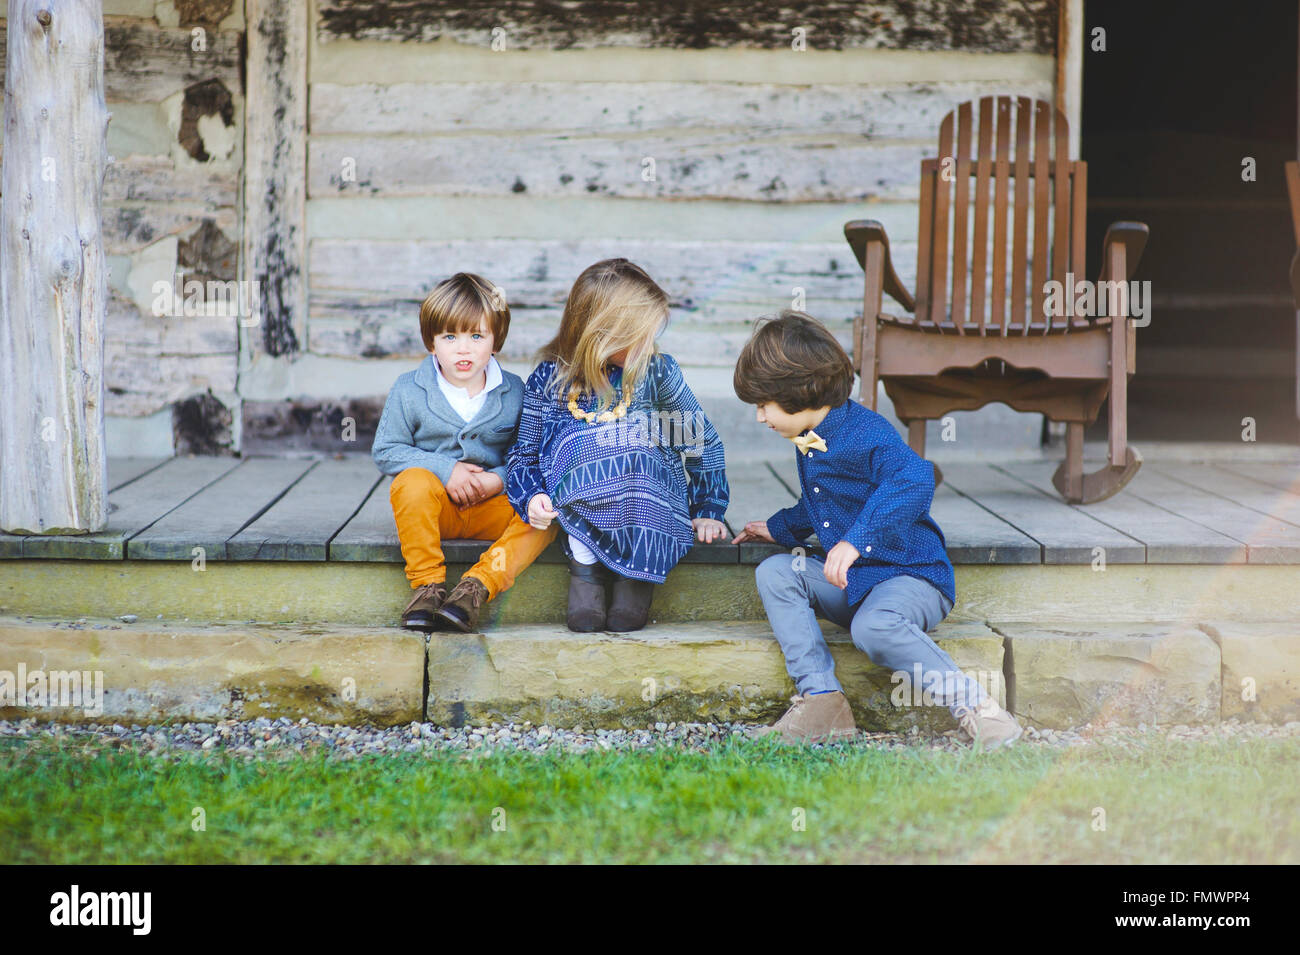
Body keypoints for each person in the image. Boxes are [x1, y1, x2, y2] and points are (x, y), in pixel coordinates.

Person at [732, 311, 1022, 749]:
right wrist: (777, 528)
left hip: (909, 575)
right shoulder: (810, 437)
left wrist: (855, 540)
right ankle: (822, 702)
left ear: (800, 392)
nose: (759, 417)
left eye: (763, 405)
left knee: (873, 627)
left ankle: (981, 712)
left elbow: (916, 479)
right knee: (775, 572)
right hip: (853, 583)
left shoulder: (867, 432)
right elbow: (827, 504)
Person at [507, 258, 729, 632]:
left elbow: (697, 437)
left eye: (650, 334)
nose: (647, 345)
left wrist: (709, 506)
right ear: (599, 333)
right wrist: (529, 496)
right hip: (579, 501)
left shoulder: (655, 371)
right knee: (576, 443)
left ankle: (635, 577)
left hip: (646, 500)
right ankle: (586, 568)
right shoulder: (550, 379)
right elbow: (524, 452)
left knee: (637, 442)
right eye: (636, 336)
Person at [372, 272, 557, 633]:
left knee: (544, 516)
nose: (463, 348)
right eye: (449, 337)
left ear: (495, 339)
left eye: (477, 336)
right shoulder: (410, 389)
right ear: (431, 342)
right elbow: (387, 450)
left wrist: (497, 479)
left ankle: (476, 588)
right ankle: (427, 587)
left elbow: (529, 453)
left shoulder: (515, 391)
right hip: (437, 509)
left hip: (493, 506)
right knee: (410, 484)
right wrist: (446, 469)